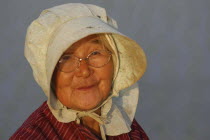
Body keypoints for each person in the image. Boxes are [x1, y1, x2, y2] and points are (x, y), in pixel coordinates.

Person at [10, 3, 148, 140]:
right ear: (49, 75)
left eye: (95, 53)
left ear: (116, 62)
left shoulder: (124, 127)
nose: (84, 71)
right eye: (66, 58)